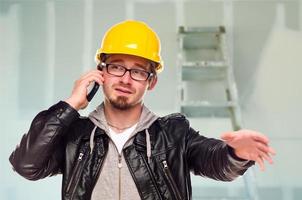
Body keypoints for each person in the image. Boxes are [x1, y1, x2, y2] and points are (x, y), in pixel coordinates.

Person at [9, 20, 275, 200]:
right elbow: (26, 165)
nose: (125, 78)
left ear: (152, 81)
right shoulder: (76, 135)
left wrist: (236, 153)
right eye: (116, 66)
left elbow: (215, 162)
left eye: (137, 71)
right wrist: (69, 105)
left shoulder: (173, 134)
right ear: (101, 72)